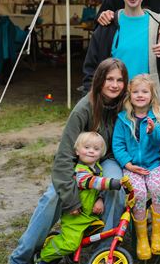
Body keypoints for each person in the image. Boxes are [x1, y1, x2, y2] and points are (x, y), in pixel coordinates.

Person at [10, 58, 128, 264]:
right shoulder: (84, 109)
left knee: (116, 188)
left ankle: (103, 253)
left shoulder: (125, 105)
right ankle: (22, 256)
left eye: (120, 80)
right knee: (53, 196)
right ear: (99, 80)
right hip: (81, 162)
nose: (114, 85)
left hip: (109, 160)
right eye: (109, 79)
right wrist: (71, 197)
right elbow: (63, 157)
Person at [37, 132, 124, 263]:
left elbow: (96, 189)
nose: (91, 151)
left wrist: (100, 199)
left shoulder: (98, 168)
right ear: (77, 151)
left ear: (101, 153)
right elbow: (92, 182)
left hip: (88, 216)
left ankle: (77, 249)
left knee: (98, 230)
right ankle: (42, 257)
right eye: (87, 147)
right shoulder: (80, 171)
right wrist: (113, 182)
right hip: (75, 218)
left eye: (96, 149)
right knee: (70, 243)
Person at [112, 74, 160, 260]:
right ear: (130, 95)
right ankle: (142, 238)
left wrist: (152, 132)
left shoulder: (157, 117)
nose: (140, 95)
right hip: (131, 167)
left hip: (153, 165)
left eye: (145, 91)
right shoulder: (123, 119)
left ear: (151, 95)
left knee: (158, 188)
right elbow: (118, 145)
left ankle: (157, 234)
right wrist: (128, 165)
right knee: (139, 193)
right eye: (136, 92)